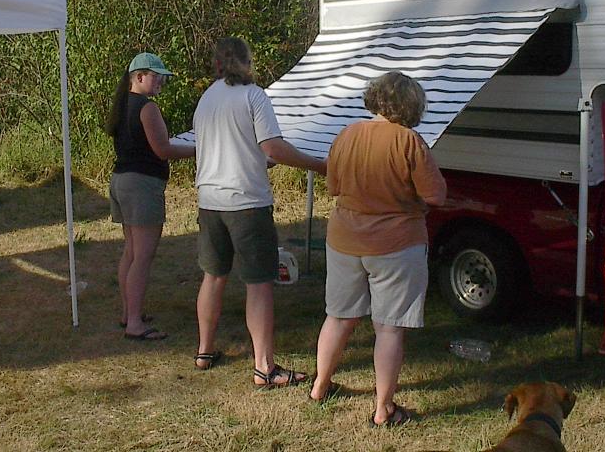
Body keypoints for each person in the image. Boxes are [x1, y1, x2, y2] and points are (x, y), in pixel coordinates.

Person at [308, 71, 446, 427]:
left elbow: (334, 186)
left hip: (344, 239)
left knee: (338, 317)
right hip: (397, 243)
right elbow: (436, 195)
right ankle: (383, 409)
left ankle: (320, 387)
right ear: (412, 104)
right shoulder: (409, 141)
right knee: (388, 328)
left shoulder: (347, 134)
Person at [192, 36, 327, 383]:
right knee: (259, 283)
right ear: (246, 62)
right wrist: (318, 164)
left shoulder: (207, 98)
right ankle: (265, 368)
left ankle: (204, 350)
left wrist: (256, 160)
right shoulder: (254, 96)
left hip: (209, 201)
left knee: (214, 276)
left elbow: (225, 148)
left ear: (218, 63)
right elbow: (274, 148)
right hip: (247, 203)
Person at [105, 52, 195, 341]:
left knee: (131, 252)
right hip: (141, 186)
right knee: (142, 257)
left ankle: (127, 312)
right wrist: (201, 148)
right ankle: (134, 323)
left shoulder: (122, 105)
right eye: (157, 76)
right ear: (140, 76)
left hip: (121, 181)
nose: (161, 82)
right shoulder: (147, 108)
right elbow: (164, 151)